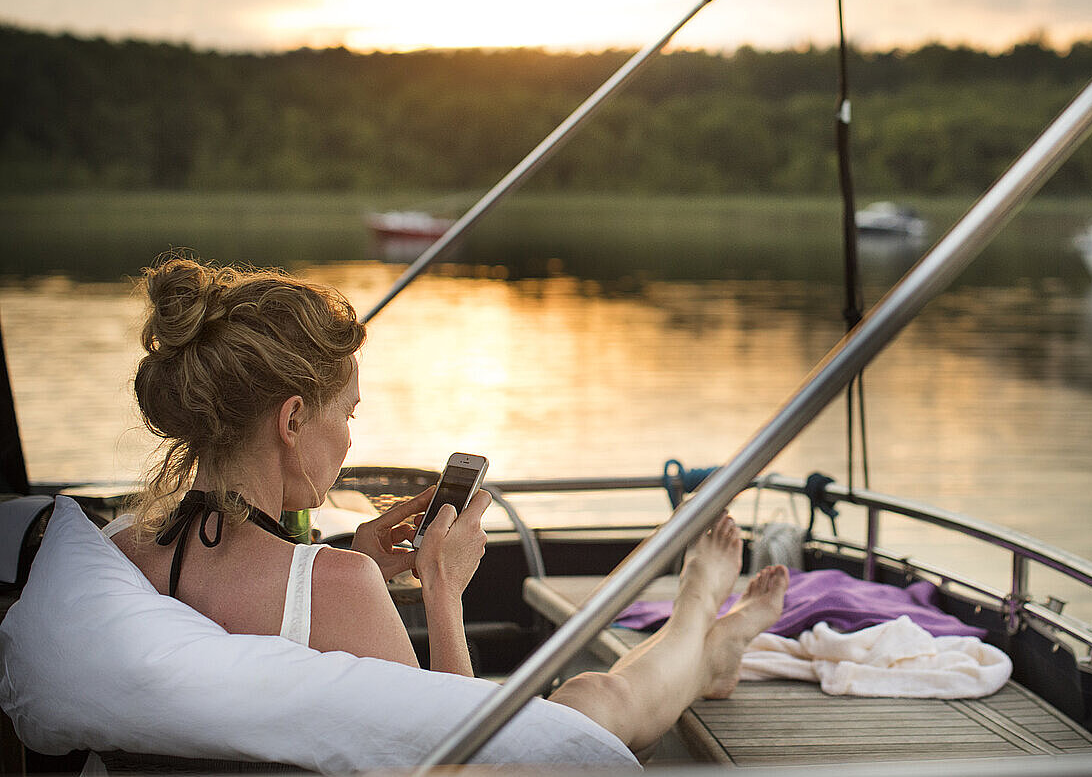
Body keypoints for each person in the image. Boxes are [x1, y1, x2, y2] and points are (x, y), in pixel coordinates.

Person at [112, 256, 788, 756]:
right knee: (594, 699)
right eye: (347, 414)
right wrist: (443, 585)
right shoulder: (336, 589)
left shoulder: (119, 550)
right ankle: (702, 621)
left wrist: (348, 559)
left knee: (582, 699)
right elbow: (464, 762)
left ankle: (710, 644)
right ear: (291, 422)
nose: (351, 438)